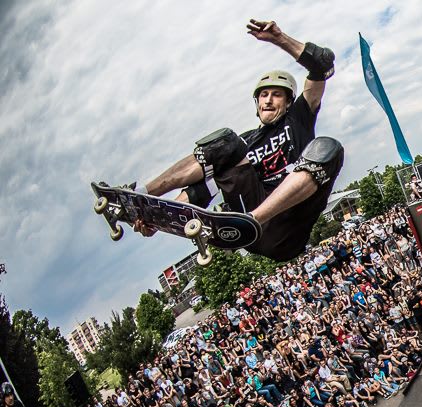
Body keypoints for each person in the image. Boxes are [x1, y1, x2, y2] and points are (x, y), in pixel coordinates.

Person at [124, 19, 342, 263]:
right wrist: (159, 218)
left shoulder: (299, 117)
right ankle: (142, 193)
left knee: (328, 148)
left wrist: (280, 39)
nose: (268, 100)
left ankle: (252, 220)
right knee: (225, 142)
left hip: (288, 228)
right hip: (250, 220)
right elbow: (204, 188)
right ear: (257, 103)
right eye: (264, 95)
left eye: (276, 95)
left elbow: (322, 64)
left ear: (289, 101)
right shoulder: (241, 147)